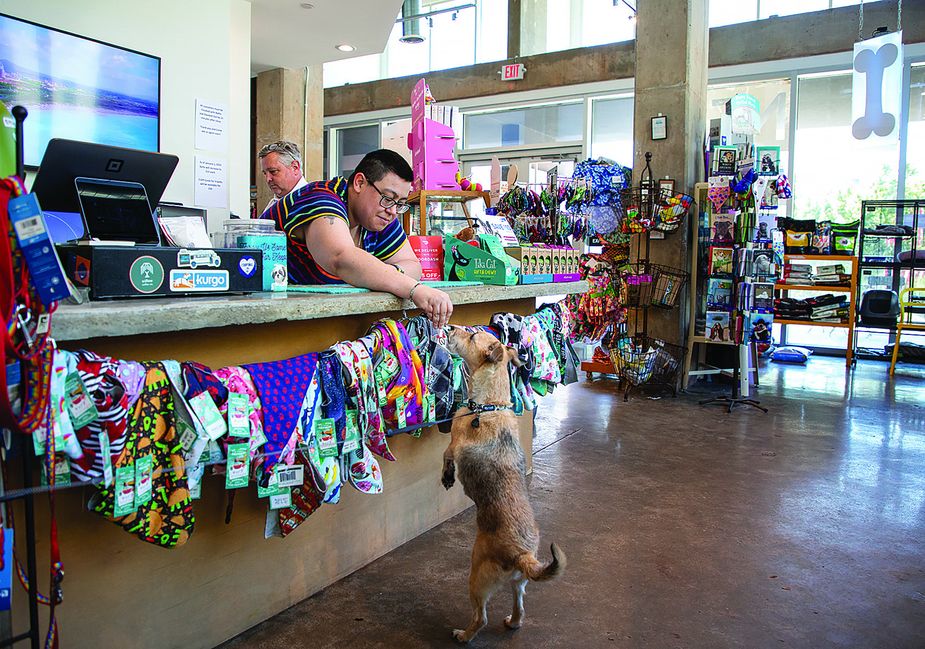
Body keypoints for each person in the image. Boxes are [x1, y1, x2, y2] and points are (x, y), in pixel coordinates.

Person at [262, 149, 453, 328]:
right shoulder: (320, 198)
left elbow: (413, 265)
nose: (393, 211)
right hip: (266, 320)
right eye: (388, 198)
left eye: (400, 203)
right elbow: (342, 258)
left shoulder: (380, 213)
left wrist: (381, 274)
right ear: (360, 183)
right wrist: (414, 290)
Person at [258, 140, 308, 213]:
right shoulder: (273, 204)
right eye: (265, 173)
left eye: (273, 171)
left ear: (295, 167)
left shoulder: (312, 202)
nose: (268, 179)